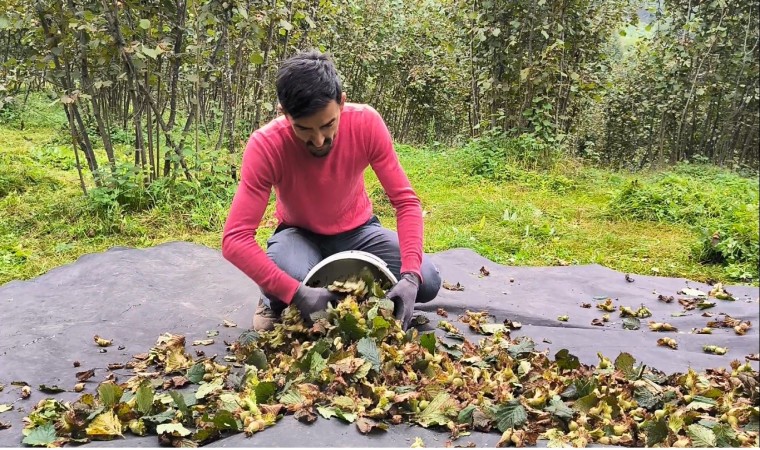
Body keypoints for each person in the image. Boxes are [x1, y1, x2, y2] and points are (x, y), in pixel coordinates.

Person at [221, 49, 441, 331]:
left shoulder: (366, 124)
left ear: (342, 103)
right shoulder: (266, 146)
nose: (319, 139)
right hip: (299, 235)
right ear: (283, 114)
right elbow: (235, 239)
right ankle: (271, 299)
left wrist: (410, 277)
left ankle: (325, 284)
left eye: (328, 125)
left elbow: (406, 202)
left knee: (428, 281)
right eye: (304, 130)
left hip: (360, 232)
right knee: (286, 281)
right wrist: (295, 293)